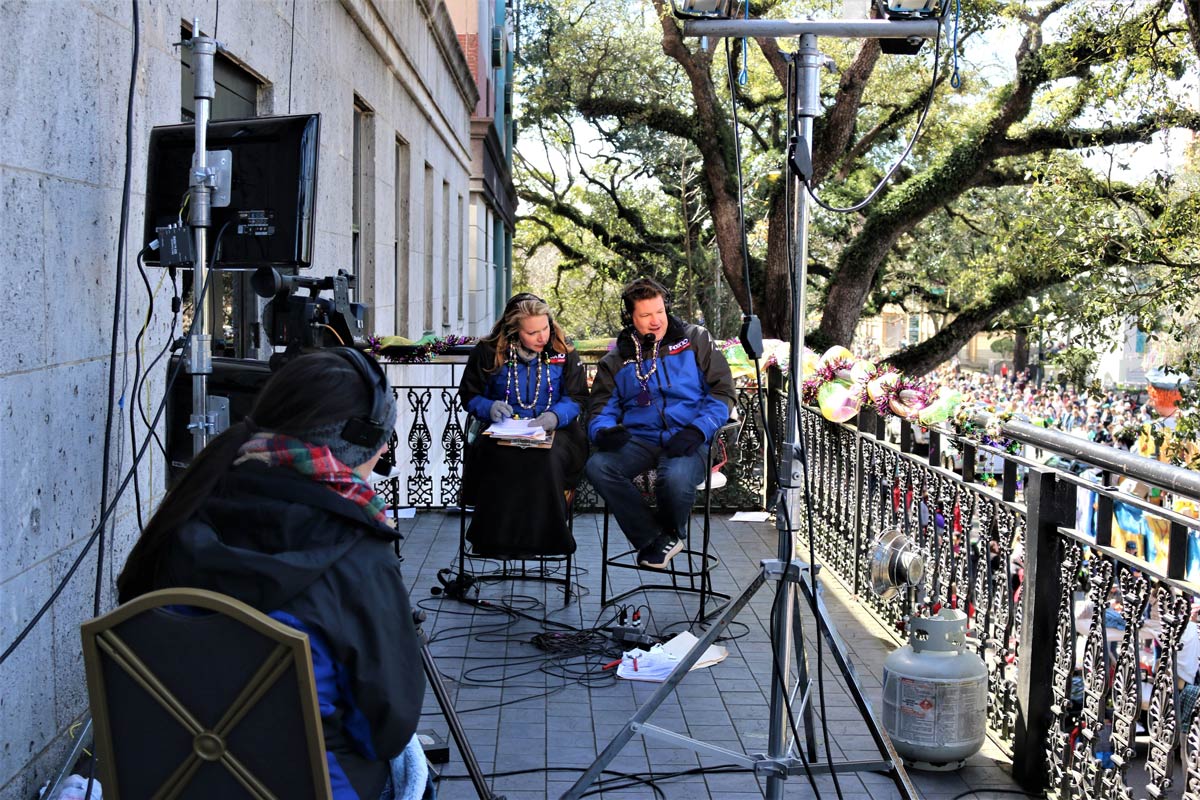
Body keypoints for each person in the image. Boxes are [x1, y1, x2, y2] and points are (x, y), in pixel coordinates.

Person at [117, 349, 427, 800]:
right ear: (363, 444)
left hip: (176, 780)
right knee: (409, 763)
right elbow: (386, 728)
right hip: (314, 786)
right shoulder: (358, 556)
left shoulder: (185, 516)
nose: (384, 451)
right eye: (384, 441)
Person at [585, 277, 735, 569]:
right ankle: (656, 538)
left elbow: (723, 392)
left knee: (676, 477)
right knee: (598, 466)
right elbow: (600, 409)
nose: (655, 321)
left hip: (691, 436)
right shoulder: (616, 360)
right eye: (645, 315)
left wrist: (698, 429)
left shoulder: (696, 339)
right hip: (639, 439)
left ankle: (668, 536)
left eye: (660, 312)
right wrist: (602, 431)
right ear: (630, 317)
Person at [458, 292, 588, 555]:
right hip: (501, 430)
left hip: (556, 430)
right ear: (515, 331)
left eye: (545, 328)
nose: (542, 337)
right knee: (501, 455)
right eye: (532, 333)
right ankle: (493, 541)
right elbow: (470, 394)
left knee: (546, 458)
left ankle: (548, 540)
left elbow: (577, 396)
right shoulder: (488, 351)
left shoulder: (564, 349)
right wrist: (489, 407)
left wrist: (555, 416)